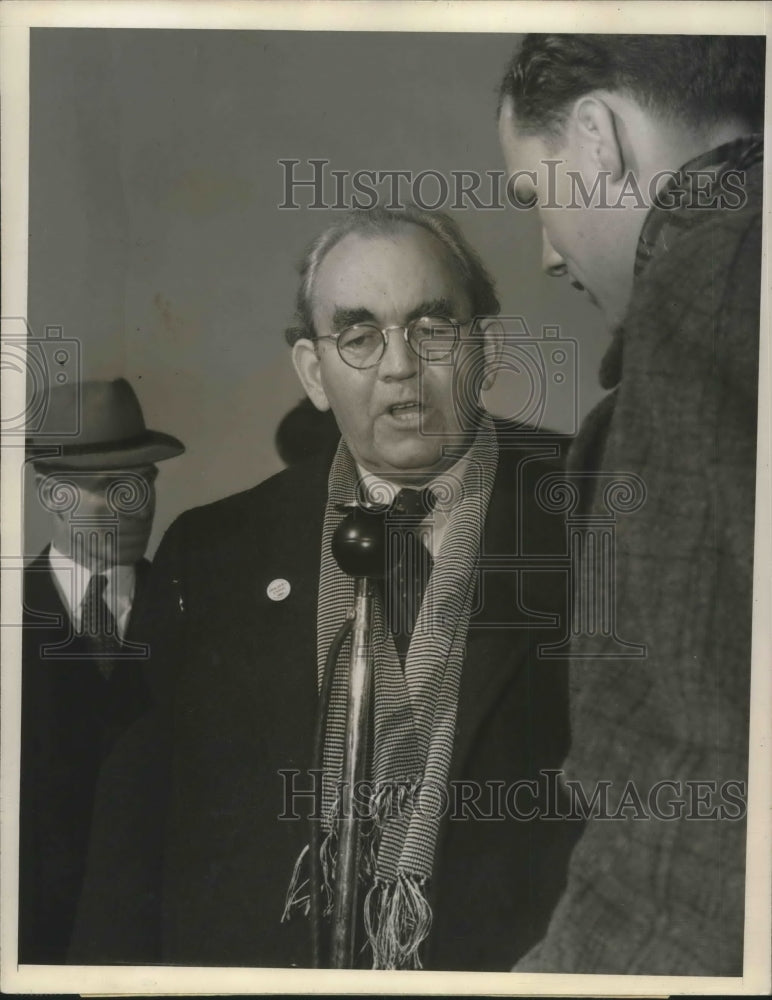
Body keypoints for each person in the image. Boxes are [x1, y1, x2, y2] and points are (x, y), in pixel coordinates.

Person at [71, 207, 580, 971]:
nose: (399, 366)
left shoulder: (590, 518)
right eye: (360, 334)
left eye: (432, 327)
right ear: (313, 371)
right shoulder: (209, 555)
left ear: (485, 346)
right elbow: (129, 855)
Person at [497, 34, 763, 975]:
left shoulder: (715, 279)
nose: (547, 255)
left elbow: (700, 796)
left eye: (536, 198)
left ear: (599, 136)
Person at [20, 377, 184, 963]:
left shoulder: (194, 613)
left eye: (144, 483)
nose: (135, 507)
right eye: (109, 487)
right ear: (50, 496)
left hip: (157, 945)